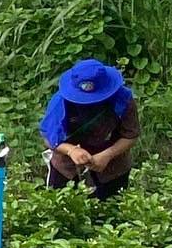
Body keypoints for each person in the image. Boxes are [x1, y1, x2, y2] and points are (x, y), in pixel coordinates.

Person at [39, 58, 140, 200]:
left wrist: (107, 155)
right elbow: (50, 137)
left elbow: (130, 135)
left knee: (109, 215)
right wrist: (71, 150)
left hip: (112, 170)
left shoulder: (123, 99)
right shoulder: (60, 101)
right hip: (67, 169)